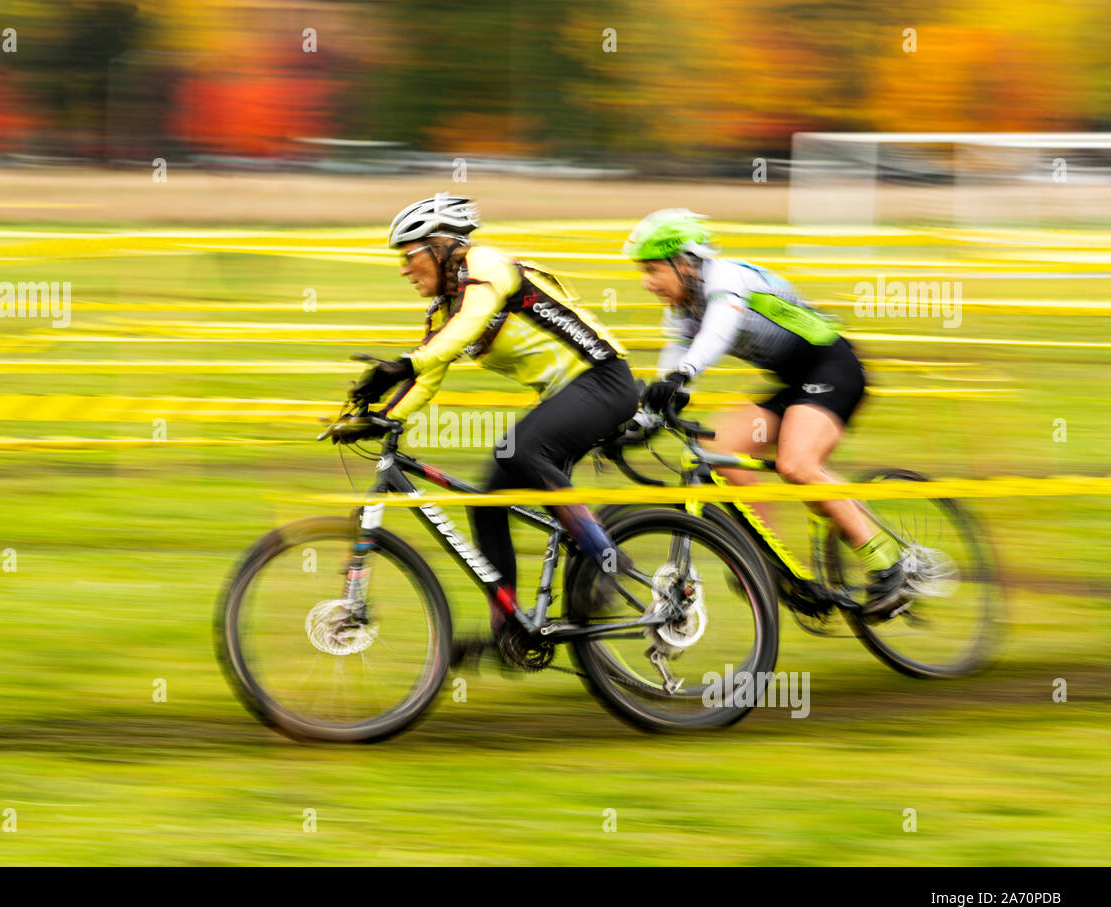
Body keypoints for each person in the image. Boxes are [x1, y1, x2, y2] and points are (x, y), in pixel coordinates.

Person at [344, 193, 638, 662]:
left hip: (604, 380)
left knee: (519, 450)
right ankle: (512, 629)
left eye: (409, 255)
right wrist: (376, 418)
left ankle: (608, 560)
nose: (404, 268)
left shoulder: (488, 265)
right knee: (486, 499)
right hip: (568, 396)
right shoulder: (445, 308)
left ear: (440, 247)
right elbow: (428, 376)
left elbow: (467, 326)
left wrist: (401, 364)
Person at [623, 208, 907, 617]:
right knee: (720, 449)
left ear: (684, 263)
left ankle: (889, 566)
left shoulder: (727, 281)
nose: (647, 283)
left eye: (652, 270)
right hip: (794, 383)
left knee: (796, 464)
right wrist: (644, 418)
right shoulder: (682, 308)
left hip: (834, 366)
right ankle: (773, 564)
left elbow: (717, 332)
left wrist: (684, 374)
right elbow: (672, 362)